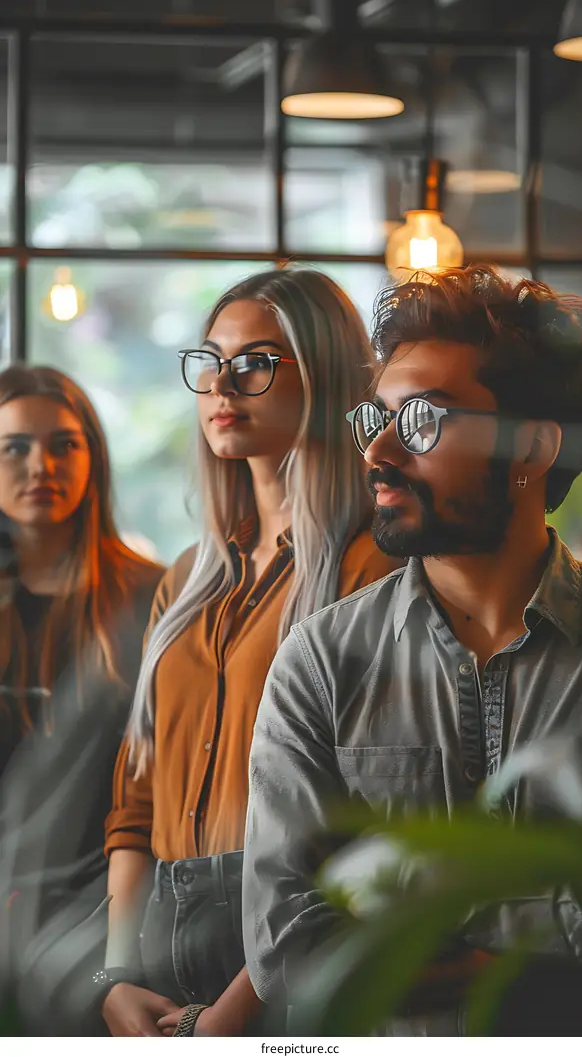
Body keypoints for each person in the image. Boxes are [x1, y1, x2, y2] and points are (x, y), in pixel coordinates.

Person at [243, 265, 582, 1036]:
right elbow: (283, 945)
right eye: (377, 422)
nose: (380, 455)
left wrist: (414, 931)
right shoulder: (321, 660)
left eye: (423, 423)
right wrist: (553, 945)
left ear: (534, 446)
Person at [100, 267, 401, 1038]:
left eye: (259, 361)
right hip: (158, 940)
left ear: (328, 373)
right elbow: (134, 797)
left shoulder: (374, 569)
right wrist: (115, 975)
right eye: (212, 360)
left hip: (291, 946)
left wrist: (234, 1014)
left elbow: (365, 817)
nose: (223, 384)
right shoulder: (190, 580)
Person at [0, 364, 164, 1033]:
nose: (41, 464)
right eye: (14, 446)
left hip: (107, 913)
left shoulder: (152, 596)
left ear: (92, 457)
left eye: (64, 443)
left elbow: (156, 783)